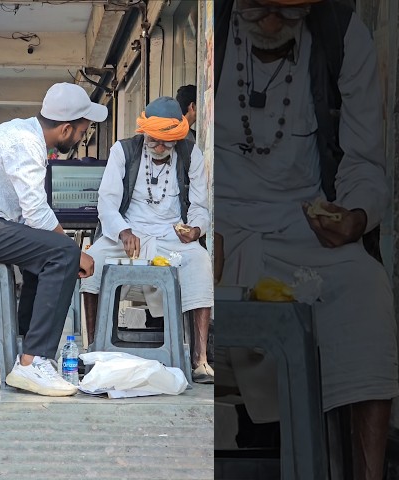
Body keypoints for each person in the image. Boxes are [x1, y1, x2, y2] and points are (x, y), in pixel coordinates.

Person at [214, 0, 398, 477]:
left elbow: (363, 160)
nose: (273, 22)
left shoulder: (342, 36)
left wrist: (355, 215)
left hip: (303, 229)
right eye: (260, 9)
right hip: (218, 229)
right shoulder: (208, 26)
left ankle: (369, 472)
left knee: (366, 289)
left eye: (288, 11)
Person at [0, 82, 105, 397]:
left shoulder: (25, 136)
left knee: (46, 254)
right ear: (67, 129)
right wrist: (75, 252)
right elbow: (35, 211)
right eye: (84, 129)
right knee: (61, 252)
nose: (85, 135)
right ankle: (34, 361)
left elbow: (28, 215)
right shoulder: (24, 142)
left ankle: (25, 347)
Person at [80, 96, 215, 384]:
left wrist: (196, 231)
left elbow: (200, 208)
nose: (159, 146)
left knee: (200, 260)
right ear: (145, 133)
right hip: (127, 234)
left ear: (178, 138)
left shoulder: (192, 155)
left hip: (171, 235)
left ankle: (200, 360)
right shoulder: (123, 151)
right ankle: (92, 350)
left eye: (167, 142)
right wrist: (123, 231)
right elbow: (106, 203)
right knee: (94, 261)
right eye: (154, 140)